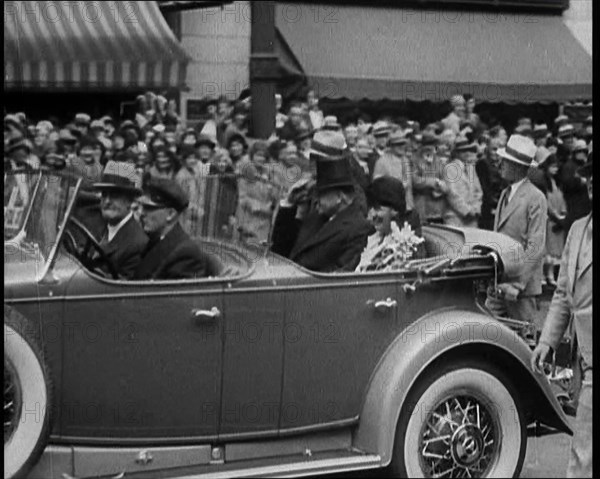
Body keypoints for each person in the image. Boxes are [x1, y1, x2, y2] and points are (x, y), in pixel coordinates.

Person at [531, 152, 592, 478]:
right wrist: (548, 340)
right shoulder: (578, 229)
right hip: (583, 357)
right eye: (592, 179)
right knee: (584, 446)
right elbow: (562, 293)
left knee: (583, 452)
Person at [270, 130, 372, 272]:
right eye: (312, 158)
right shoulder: (312, 187)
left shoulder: (351, 196)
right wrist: (290, 206)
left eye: (320, 159)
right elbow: (284, 248)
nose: (313, 164)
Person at [485, 134, 547, 330]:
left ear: (519, 167)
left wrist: (518, 285)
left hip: (520, 289)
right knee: (488, 332)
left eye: (506, 161)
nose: (501, 164)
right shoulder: (505, 193)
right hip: (500, 283)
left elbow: (535, 246)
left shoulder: (535, 198)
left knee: (523, 342)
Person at [133, 178, 210, 280]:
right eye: (142, 207)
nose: (141, 213)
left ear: (170, 214)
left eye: (149, 208)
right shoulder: (153, 241)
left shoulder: (185, 254)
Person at [91, 161, 149, 279]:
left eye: (115, 196)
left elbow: (123, 289)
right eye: (104, 195)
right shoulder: (97, 228)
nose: (107, 201)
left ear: (130, 201)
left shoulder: (137, 244)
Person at [356, 176, 425, 271]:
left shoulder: (408, 245)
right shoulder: (375, 236)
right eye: (370, 208)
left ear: (395, 209)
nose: (371, 216)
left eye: (377, 208)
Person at [443, 137, 482, 227]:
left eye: (469, 150)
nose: (467, 153)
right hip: (455, 217)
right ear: (456, 153)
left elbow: (478, 191)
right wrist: (467, 211)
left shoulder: (471, 168)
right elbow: (451, 194)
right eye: (463, 151)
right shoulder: (449, 168)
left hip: (473, 218)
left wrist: (476, 208)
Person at [372, 130, 414, 212]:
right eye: (397, 144)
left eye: (402, 144)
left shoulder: (406, 160)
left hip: (408, 208)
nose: (401, 146)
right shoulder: (382, 162)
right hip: (391, 210)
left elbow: (409, 186)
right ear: (391, 146)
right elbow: (377, 187)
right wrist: (397, 186)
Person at [412, 133, 448, 224]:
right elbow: (414, 180)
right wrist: (433, 182)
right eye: (427, 145)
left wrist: (442, 187)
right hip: (422, 205)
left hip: (439, 206)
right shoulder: (414, 160)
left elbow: (446, 179)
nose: (430, 148)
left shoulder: (439, 161)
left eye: (432, 145)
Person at [560, 138, 591, 235]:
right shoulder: (568, 166)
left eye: (584, 151)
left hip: (586, 205)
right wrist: (579, 181)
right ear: (574, 152)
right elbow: (566, 184)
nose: (581, 153)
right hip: (574, 206)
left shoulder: (586, 165)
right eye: (579, 151)